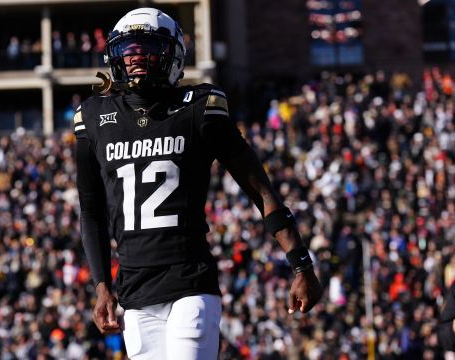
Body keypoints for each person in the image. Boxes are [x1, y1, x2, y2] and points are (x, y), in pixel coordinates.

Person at [74, 8, 323, 359]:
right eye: (128, 49)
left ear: (172, 53)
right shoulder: (94, 117)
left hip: (189, 283)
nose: (135, 58)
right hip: (133, 292)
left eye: (147, 48)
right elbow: (92, 212)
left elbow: (260, 190)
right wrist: (101, 287)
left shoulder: (198, 107)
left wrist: (301, 264)